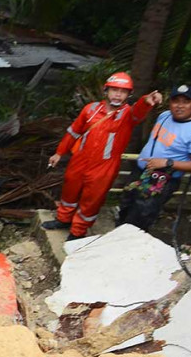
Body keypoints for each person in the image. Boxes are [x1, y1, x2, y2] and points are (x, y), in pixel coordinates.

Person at [43, 72, 162, 239]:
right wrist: (59, 152)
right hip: (79, 160)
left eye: (123, 91)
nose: (118, 94)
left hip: (104, 166)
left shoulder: (127, 115)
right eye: (114, 90)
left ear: (128, 95)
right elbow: (74, 131)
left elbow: (139, 111)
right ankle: (63, 219)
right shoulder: (90, 109)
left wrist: (146, 101)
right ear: (106, 91)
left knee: (92, 200)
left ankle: (77, 232)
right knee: (69, 191)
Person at [117, 84, 191, 231]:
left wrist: (167, 162)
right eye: (176, 101)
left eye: (186, 101)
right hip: (140, 171)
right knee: (125, 206)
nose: (179, 106)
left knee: (140, 217)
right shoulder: (165, 116)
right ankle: (115, 237)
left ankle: (129, 242)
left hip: (161, 179)